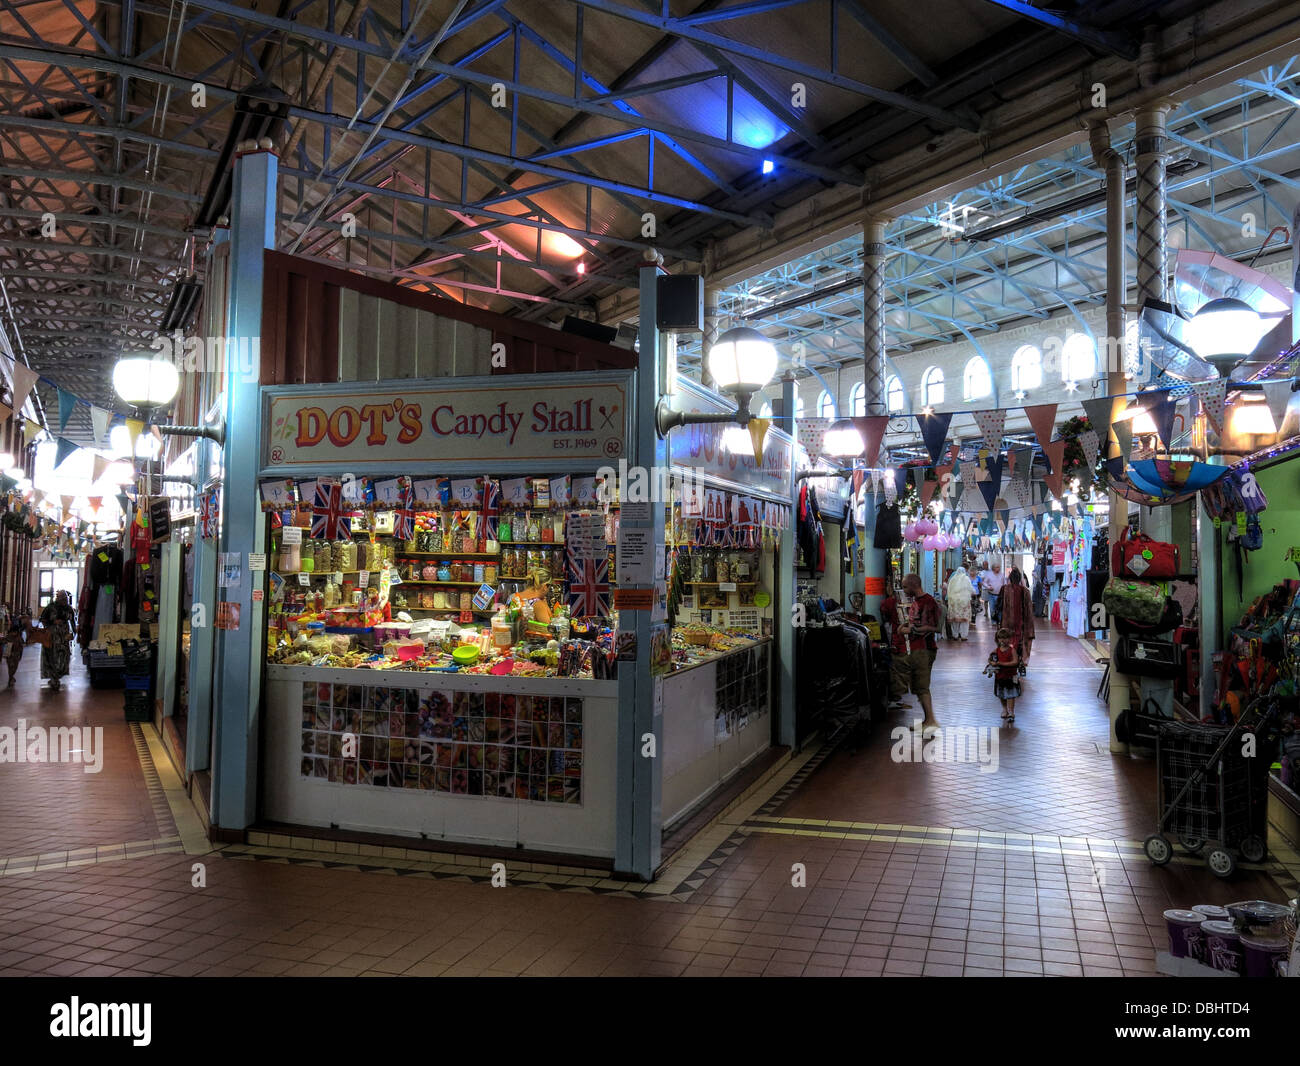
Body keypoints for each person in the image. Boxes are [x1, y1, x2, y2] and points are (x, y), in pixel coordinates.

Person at [882, 573, 941, 738]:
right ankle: (927, 720)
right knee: (918, 687)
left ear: (914, 585)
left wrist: (911, 630)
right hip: (915, 650)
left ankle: (930, 721)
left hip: (924, 649)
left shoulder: (928, 602)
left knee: (922, 687)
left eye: (906, 586)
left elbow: (933, 627)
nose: (904, 590)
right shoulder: (915, 602)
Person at [1000, 567, 1035, 673]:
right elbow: (1029, 610)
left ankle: (1008, 661)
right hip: (1022, 624)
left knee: (1008, 641)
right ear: (1020, 579)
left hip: (1007, 623)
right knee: (1021, 643)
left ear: (1010, 578)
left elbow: (999, 606)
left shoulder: (1004, 589)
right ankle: (1020, 662)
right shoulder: (1025, 591)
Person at [39, 591, 75, 691]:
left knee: (64, 656)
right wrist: (52, 622)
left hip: (64, 636)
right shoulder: (50, 607)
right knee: (52, 657)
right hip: (52, 636)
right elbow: (42, 619)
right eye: (61, 598)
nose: (64, 600)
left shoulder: (68, 608)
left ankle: (57, 677)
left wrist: (74, 633)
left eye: (65, 598)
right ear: (57, 598)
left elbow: (73, 622)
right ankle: (54, 678)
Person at [989, 628, 1021, 723]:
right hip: (1000, 676)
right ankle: (1004, 709)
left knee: (1011, 695)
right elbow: (990, 659)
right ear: (997, 639)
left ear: (1009, 639)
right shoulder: (996, 650)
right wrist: (992, 663)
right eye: (1000, 638)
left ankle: (1011, 711)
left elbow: (1015, 662)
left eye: (1005, 638)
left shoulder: (1012, 650)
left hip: (1011, 676)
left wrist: (1001, 663)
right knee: (1001, 694)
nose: (1003, 640)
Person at [946, 566, 974, 641]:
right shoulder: (966, 578)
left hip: (953, 602)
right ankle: (963, 636)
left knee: (955, 620)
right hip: (964, 602)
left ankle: (955, 635)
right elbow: (971, 589)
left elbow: (948, 590)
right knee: (964, 621)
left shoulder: (952, 579)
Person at [3, 608, 25, 688]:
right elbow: (3, 643)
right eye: (12, 632)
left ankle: (11, 677)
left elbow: (21, 646)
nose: (14, 633)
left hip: (16, 655)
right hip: (9, 655)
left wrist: (20, 655)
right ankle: (10, 678)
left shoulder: (19, 638)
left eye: (15, 632)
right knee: (10, 667)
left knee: (14, 667)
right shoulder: (8, 637)